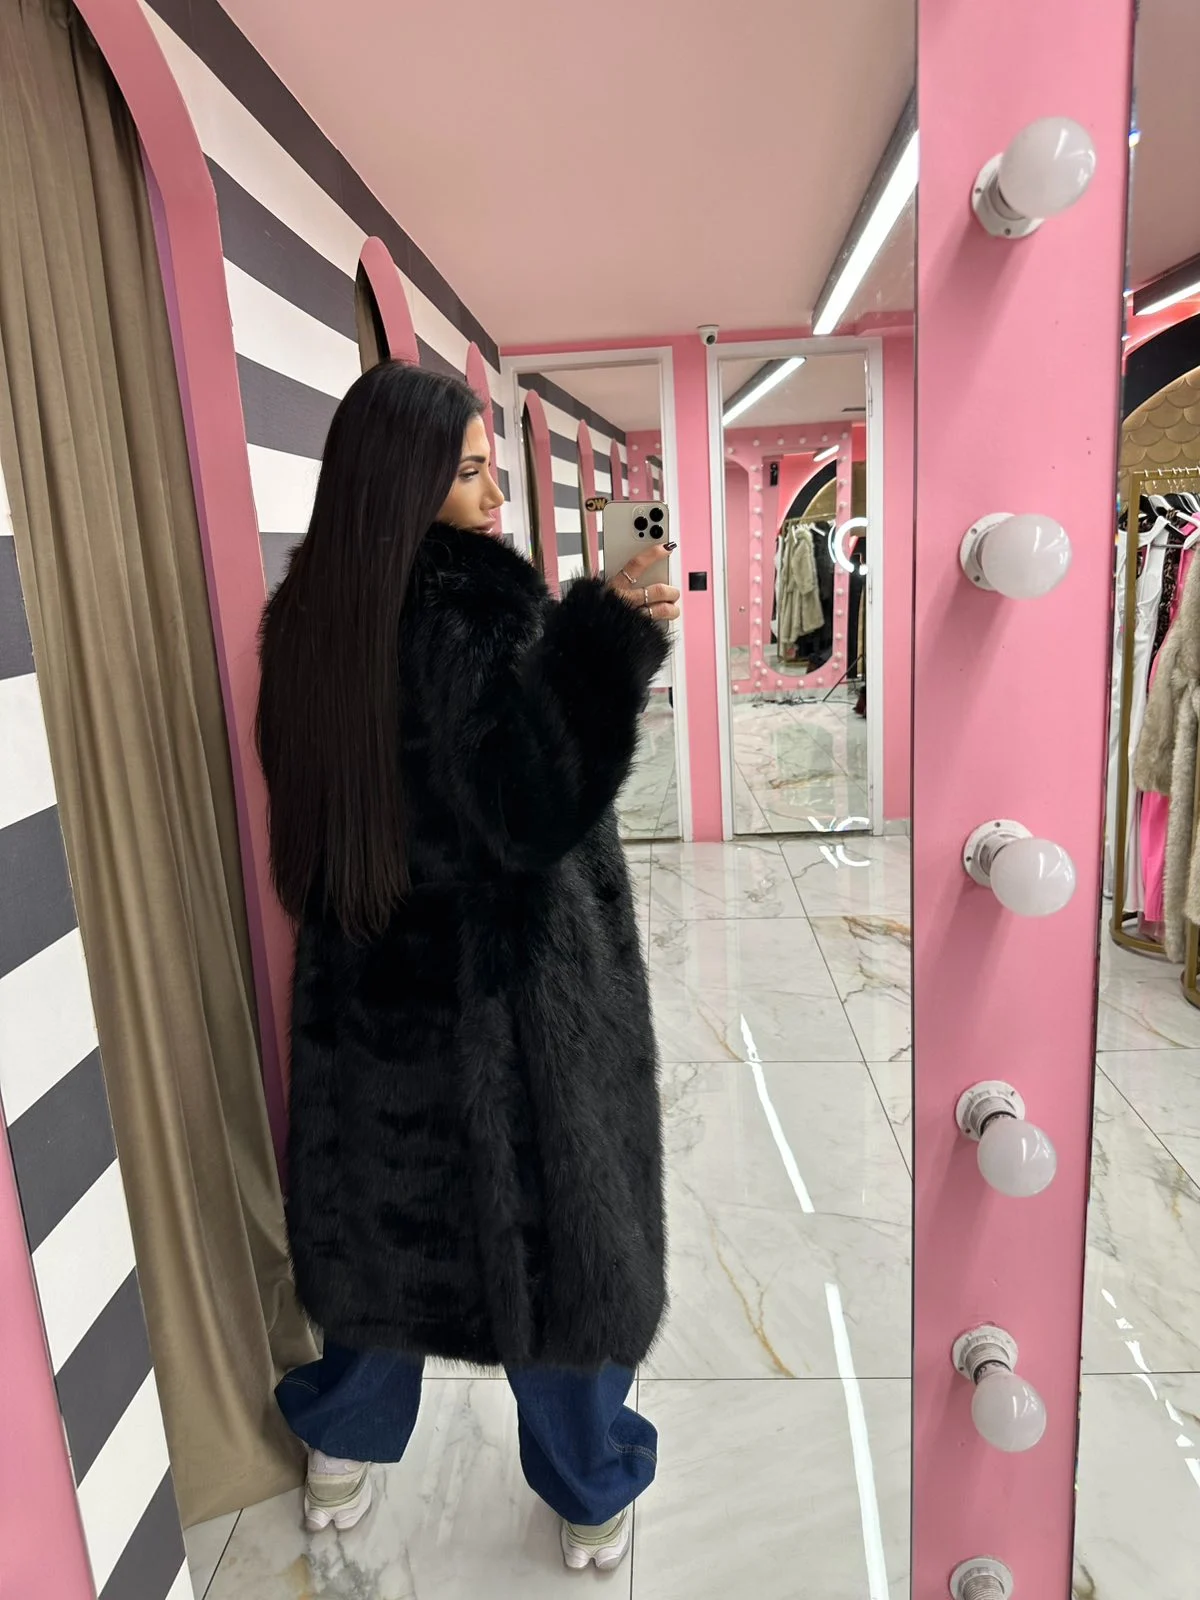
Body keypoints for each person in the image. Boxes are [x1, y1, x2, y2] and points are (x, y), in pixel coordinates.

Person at [256, 361, 680, 1570]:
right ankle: (590, 1488)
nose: (496, 500)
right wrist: (613, 639)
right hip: (515, 995)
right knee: (554, 1253)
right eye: (470, 475)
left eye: (494, 471)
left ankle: (339, 1453)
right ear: (402, 486)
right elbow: (529, 805)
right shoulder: (468, 611)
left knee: (387, 1235)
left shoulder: (313, 619)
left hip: (373, 995)